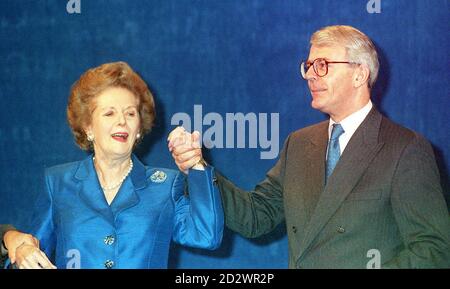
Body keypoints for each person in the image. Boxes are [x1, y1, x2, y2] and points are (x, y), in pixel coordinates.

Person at [168, 25, 450, 268]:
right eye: (309, 66)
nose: (310, 75)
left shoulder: (405, 148)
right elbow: (256, 217)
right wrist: (197, 168)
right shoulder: (299, 144)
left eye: (322, 65)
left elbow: (434, 249)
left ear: (359, 74)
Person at [17, 61, 223, 269]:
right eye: (109, 113)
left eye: (130, 113)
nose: (122, 121)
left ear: (139, 129)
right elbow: (32, 256)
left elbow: (206, 236)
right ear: (88, 127)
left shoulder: (166, 185)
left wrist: (195, 163)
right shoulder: (57, 183)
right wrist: (21, 251)